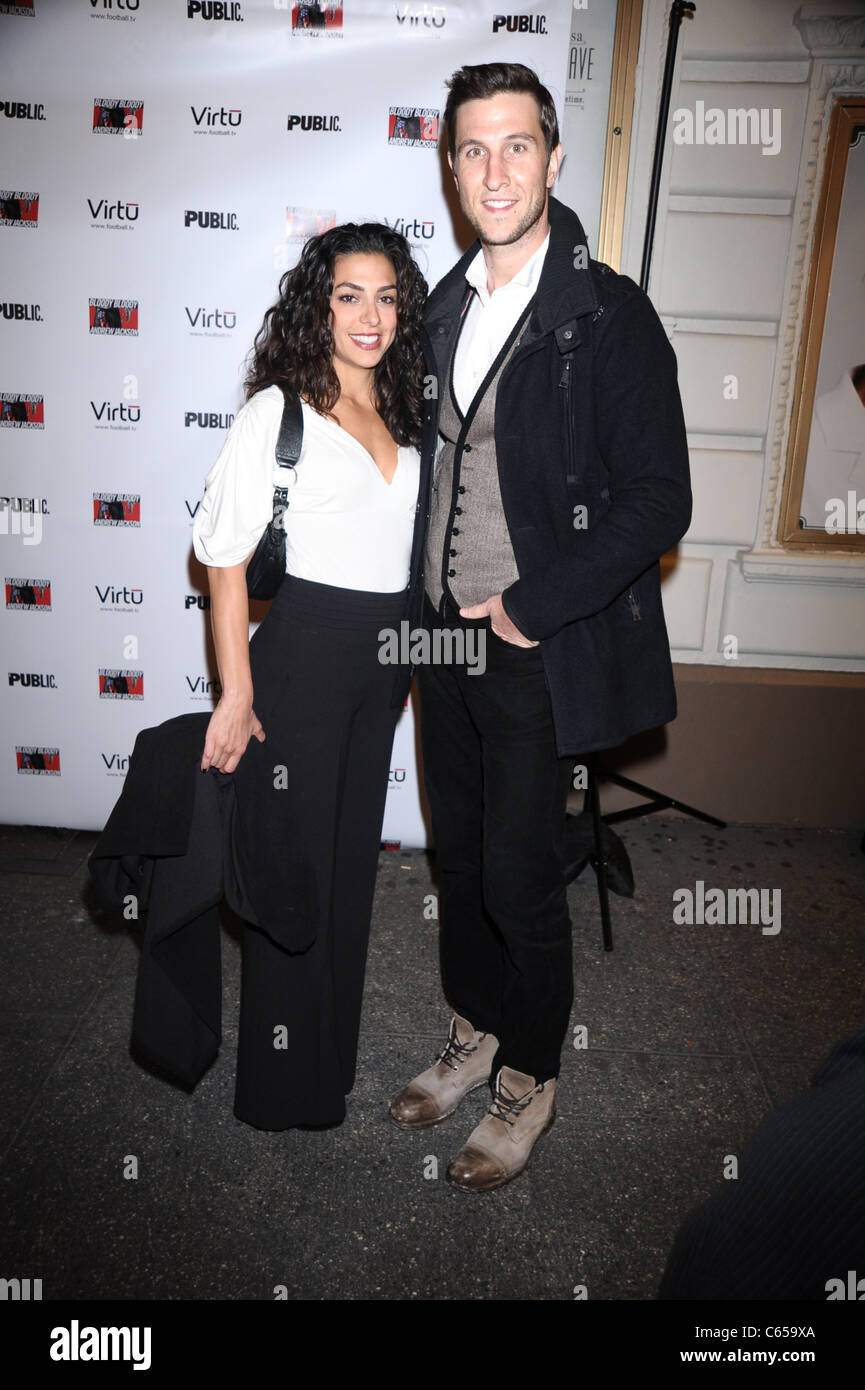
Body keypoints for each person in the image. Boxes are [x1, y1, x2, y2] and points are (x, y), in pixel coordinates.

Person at [389, 63, 692, 1191]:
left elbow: (659, 496)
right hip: (440, 642)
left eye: (517, 145)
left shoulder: (604, 313)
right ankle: (473, 1030)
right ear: (453, 170)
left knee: (520, 874)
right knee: (459, 860)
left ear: (555, 159)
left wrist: (526, 606)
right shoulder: (442, 305)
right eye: (472, 150)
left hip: (530, 646)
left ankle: (529, 1074)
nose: (495, 170)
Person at [190, 222, 428, 1129]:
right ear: (317, 306)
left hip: (380, 668)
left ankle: (324, 1066)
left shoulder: (407, 413)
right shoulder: (277, 413)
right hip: (300, 664)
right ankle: (279, 1086)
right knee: (292, 878)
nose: (369, 316)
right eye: (348, 295)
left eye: (387, 296)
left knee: (346, 873)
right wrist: (237, 693)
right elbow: (221, 559)